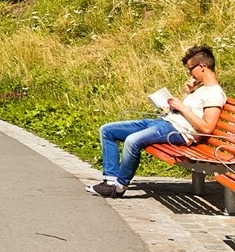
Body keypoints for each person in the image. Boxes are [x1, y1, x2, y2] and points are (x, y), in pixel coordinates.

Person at [88, 45, 225, 198]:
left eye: (190, 69)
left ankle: (119, 187)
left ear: (202, 67)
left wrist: (181, 107)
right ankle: (110, 180)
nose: (190, 74)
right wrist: (185, 95)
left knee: (132, 141)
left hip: (177, 132)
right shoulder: (201, 89)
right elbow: (187, 112)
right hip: (163, 123)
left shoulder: (214, 93)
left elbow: (206, 128)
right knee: (107, 130)